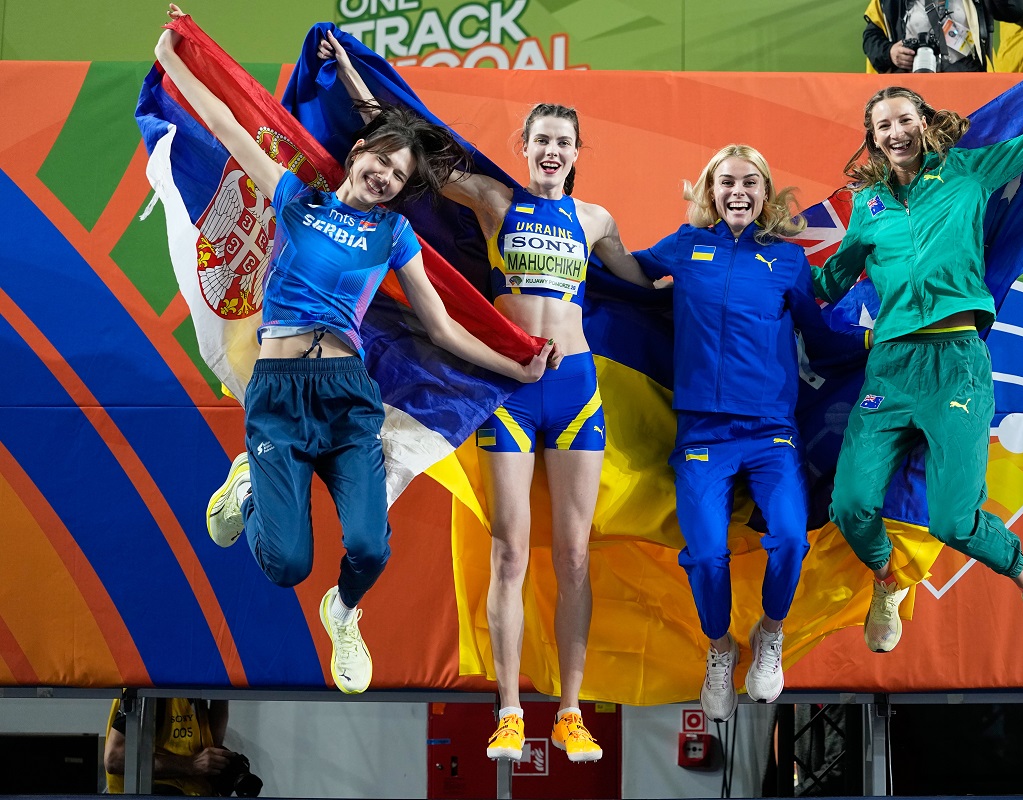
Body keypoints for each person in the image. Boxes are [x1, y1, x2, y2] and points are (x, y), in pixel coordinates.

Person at [155, 5, 551, 697]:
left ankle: (343, 613)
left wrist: (514, 365)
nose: (386, 178)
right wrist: (173, 57)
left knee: (368, 546)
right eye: (381, 162)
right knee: (285, 563)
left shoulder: (393, 236)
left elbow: (442, 327)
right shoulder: (297, 200)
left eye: (399, 176)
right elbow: (226, 124)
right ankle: (251, 481)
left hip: (346, 395)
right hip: (277, 400)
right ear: (359, 155)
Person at [312, 34, 650, 762]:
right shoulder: (494, 198)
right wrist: (350, 78)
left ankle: (569, 712)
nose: (552, 151)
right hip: (511, 389)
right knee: (508, 553)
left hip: (578, 391)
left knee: (575, 557)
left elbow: (645, 284)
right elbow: (412, 146)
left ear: (577, 151)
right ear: (524, 148)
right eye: (541, 141)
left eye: (563, 141)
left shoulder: (596, 222)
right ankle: (507, 710)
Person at [817, 19, 1023, 658]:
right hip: (889, 370)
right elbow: (830, 281)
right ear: (872, 138)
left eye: (903, 118)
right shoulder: (867, 208)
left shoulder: (971, 171)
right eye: (882, 125)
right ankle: (888, 582)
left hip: (956, 364)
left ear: (924, 122)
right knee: (852, 507)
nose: (895, 131)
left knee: (953, 521)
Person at [621, 145, 864, 721]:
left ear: (764, 193)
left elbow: (821, 338)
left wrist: (878, 344)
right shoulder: (682, 247)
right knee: (706, 556)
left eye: (749, 183)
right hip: (703, 436)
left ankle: (770, 633)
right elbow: (622, 276)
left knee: (789, 539)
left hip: (771, 434)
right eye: (726, 181)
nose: (737, 191)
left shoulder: (787, 261)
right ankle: (720, 648)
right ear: (710, 190)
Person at [104, 693, 246, 796]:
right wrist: (191, 765)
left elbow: (212, 744)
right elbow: (115, 759)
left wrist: (222, 694)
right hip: (155, 792)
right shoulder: (152, 690)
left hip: (193, 791)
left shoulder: (193, 690)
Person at [864, 0, 995, 73]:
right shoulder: (889, 3)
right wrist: (890, 52)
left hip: (965, 75)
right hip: (915, 81)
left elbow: (1012, 10)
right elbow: (871, 39)